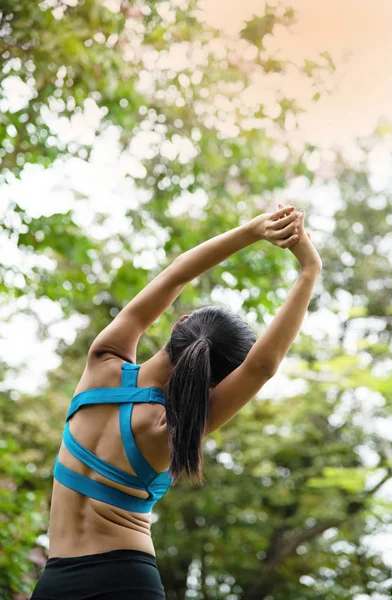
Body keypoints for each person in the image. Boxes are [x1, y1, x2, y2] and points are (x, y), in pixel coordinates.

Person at [30, 203, 322, 600]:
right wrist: (310, 271)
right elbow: (262, 368)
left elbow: (178, 273)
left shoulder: (104, 361)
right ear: (214, 382)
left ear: (180, 324)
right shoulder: (170, 428)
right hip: (127, 581)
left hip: (55, 580)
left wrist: (254, 230)